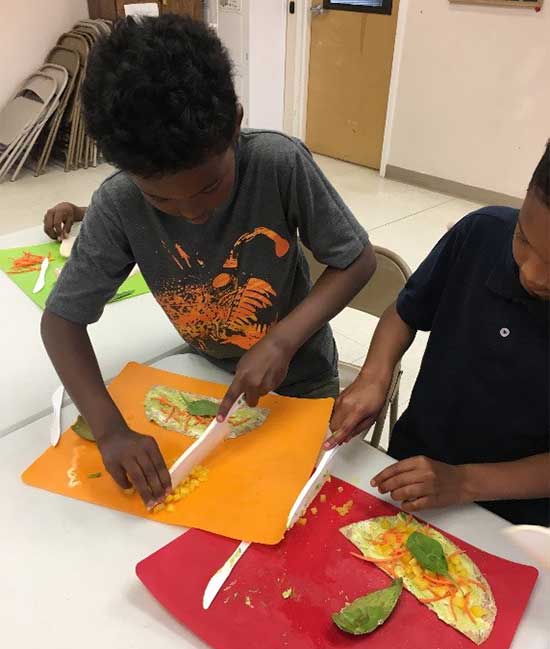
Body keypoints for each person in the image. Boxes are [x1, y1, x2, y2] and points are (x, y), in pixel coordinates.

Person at [41, 15, 375, 508]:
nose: (194, 211)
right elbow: (61, 323)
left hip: (300, 380)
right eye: (164, 201)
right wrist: (110, 429)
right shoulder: (118, 204)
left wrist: (282, 339)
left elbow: (358, 261)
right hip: (203, 375)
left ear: (236, 125)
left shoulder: (278, 164)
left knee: (286, 506)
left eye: (209, 186)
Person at [327, 141, 550, 526]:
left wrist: (464, 483)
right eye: (523, 239)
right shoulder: (481, 234)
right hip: (410, 465)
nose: (532, 273)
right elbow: (403, 312)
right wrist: (373, 376)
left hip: (517, 518)